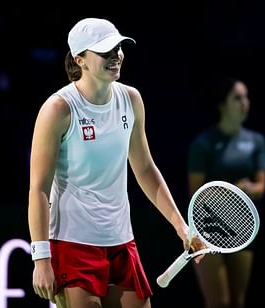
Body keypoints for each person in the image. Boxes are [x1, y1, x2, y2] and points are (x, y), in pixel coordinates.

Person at [27, 17, 204, 308]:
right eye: (105, 51)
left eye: (118, 48)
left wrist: (181, 227)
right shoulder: (58, 109)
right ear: (79, 59)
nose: (116, 56)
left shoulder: (131, 99)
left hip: (121, 240)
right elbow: (39, 189)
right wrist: (41, 258)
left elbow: (145, 169)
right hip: (72, 243)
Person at [188, 77, 265, 308]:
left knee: (237, 301)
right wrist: (231, 193)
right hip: (207, 229)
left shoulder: (256, 141)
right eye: (237, 98)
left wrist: (248, 189)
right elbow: (196, 193)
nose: (245, 103)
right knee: (218, 302)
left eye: (246, 97)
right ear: (223, 104)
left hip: (242, 230)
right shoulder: (203, 144)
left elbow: (261, 187)